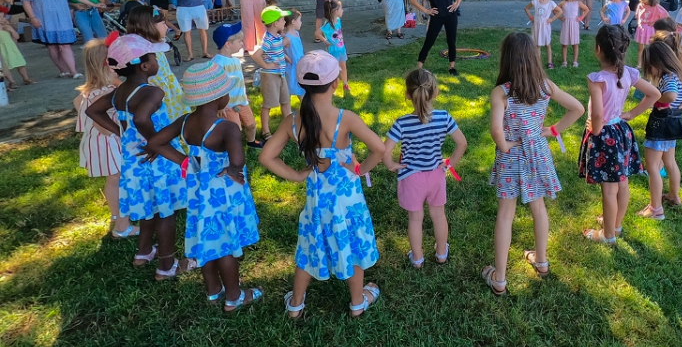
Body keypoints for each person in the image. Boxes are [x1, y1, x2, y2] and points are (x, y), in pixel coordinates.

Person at [259, 51, 386, 320]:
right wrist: (360, 169)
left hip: (316, 200)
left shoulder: (292, 121)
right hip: (347, 199)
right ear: (336, 82)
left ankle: (295, 304)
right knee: (350, 242)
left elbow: (266, 156)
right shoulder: (346, 118)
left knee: (308, 244)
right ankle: (357, 303)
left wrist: (295, 175)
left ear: (302, 85)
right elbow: (379, 149)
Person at [147, 61, 262, 310]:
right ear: (220, 96)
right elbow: (238, 159)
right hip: (223, 195)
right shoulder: (227, 127)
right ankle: (234, 296)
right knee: (227, 247)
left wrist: (185, 161)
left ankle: (213, 290)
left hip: (199, 193)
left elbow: (156, 142)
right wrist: (233, 170)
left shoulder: (185, 121)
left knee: (206, 241)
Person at [483, 32, 584, 295]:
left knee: (506, 214)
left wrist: (504, 145)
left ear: (507, 59)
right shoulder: (545, 86)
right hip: (537, 153)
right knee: (538, 209)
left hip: (511, 155)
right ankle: (541, 261)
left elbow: (496, 130)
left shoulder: (501, 92)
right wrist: (552, 130)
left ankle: (500, 279)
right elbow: (577, 108)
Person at [86, 34, 194, 279]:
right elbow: (141, 119)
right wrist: (156, 143)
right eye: (154, 57)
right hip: (156, 161)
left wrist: (122, 133)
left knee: (149, 209)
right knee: (166, 213)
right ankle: (166, 265)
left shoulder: (121, 91)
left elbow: (94, 110)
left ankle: (143, 252)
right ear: (145, 65)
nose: (157, 60)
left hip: (135, 162)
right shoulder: (152, 92)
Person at [579, 25, 660, 242]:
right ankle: (615, 225)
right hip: (621, 132)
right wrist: (632, 113)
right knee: (622, 182)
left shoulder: (597, 79)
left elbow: (597, 114)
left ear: (598, 49)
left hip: (605, 135)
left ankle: (607, 235)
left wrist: (594, 130)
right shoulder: (629, 74)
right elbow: (654, 93)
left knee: (609, 188)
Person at [383, 68, 467, 267]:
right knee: (439, 216)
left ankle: (418, 258)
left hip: (411, 178)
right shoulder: (444, 117)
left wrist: (391, 165)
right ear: (435, 92)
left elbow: (384, 151)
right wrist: (449, 163)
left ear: (407, 95)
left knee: (415, 219)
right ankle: (441, 254)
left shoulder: (401, 123)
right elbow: (462, 143)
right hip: (436, 175)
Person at [637, 38, 682, 219]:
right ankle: (674, 196)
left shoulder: (667, 77)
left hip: (661, 123)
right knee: (670, 161)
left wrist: (658, 98)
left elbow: (671, 94)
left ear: (657, 64)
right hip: (675, 122)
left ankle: (655, 209)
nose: (650, 71)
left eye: (650, 67)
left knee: (652, 167)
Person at [73, 38, 134, 238]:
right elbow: (103, 125)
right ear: (106, 65)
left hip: (100, 142)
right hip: (110, 141)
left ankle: (116, 216)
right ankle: (122, 227)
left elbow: (79, 104)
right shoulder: (106, 92)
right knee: (121, 179)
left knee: (113, 180)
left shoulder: (87, 93)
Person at [23, 0, 104, 78]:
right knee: (52, 46)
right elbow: (26, 2)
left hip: (62, 20)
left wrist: (94, 4)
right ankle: (62, 69)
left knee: (65, 45)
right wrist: (32, 17)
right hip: (45, 21)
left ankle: (73, 71)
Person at [125, 6, 189, 120]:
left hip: (169, 91)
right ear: (149, 26)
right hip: (154, 96)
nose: (167, 27)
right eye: (163, 24)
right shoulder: (139, 51)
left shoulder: (156, 44)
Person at [211, 23, 263, 149]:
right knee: (235, 130)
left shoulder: (235, 61)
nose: (242, 43)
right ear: (228, 44)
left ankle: (251, 142)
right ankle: (233, 149)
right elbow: (215, 87)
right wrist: (220, 106)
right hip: (227, 106)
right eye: (240, 41)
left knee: (251, 124)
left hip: (241, 101)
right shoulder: (216, 64)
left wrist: (243, 95)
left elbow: (239, 80)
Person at [411, 0, 465, 76]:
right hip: (437, 16)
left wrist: (457, 3)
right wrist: (426, 10)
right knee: (429, 41)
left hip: (451, 15)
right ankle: (418, 68)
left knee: (451, 41)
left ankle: (452, 67)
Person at [251, 6, 292, 140]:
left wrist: (284, 57)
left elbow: (277, 51)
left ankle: (290, 126)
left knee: (285, 101)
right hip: (270, 76)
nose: (285, 22)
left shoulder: (277, 36)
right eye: (282, 20)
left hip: (280, 74)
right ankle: (265, 131)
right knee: (268, 104)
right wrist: (266, 65)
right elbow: (257, 55)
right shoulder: (268, 39)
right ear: (275, 23)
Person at [316, 0, 349, 94]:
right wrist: (325, 41)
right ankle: (331, 87)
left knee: (343, 66)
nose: (342, 10)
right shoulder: (328, 24)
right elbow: (317, 33)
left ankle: (345, 84)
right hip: (333, 51)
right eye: (341, 8)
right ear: (335, 11)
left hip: (341, 49)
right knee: (333, 70)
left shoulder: (338, 20)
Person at [525, 0, 560, 68]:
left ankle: (550, 62)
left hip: (545, 27)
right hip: (536, 26)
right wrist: (531, 17)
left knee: (547, 44)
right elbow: (526, 8)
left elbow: (560, 11)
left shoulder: (551, 3)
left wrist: (552, 19)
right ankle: (538, 63)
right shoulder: (535, 2)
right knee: (537, 45)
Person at [634, 0, 669, 66]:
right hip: (641, 29)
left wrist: (654, 22)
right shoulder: (640, 5)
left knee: (651, 47)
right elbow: (638, 16)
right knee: (640, 48)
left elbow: (666, 16)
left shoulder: (656, 7)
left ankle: (650, 64)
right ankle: (639, 65)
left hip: (650, 31)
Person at [557, 0, 589, 68]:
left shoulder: (577, 3)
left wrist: (581, 17)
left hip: (574, 25)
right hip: (566, 24)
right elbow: (555, 9)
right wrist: (560, 17)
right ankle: (564, 61)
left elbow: (586, 9)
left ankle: (575, 61)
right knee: (565, 44)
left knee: (575, 44)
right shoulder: (563, 3)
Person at [0, 8, 33, 89]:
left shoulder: (7, 27)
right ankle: (12, 82)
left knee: (20, 64)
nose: (2, 19)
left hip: (12, 48)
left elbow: (17, 37)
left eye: (3, 17)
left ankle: (26, 78)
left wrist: (11, 30)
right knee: (5, 67)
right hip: (2, 50)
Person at [283, 9, 305, 100]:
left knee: (301, 87)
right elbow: (277, 50)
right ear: (293, 22)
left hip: (300, 64)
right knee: (289, 87)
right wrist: (285, 56)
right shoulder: (287, 37)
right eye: (299, 20)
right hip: (292, 66)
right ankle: (287, 108)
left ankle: (306, 108)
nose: (301, 22)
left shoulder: (296, 33)